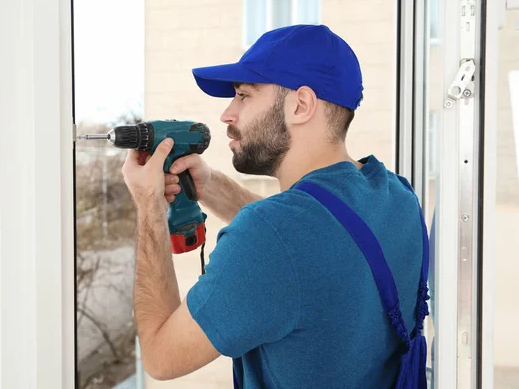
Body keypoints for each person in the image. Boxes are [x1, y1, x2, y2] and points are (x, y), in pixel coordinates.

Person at [121, 24, 429, 388]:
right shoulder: (396, 196)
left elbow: (160, 355)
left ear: (300, 105)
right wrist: (211, 186)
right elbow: (307, 239)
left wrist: (148, 206)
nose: (227, 114)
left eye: (244, 96)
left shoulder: (271, 236)